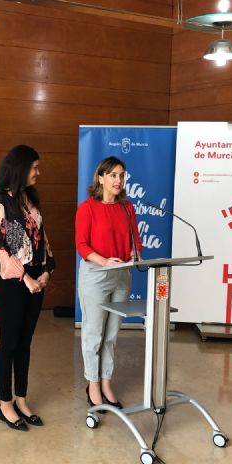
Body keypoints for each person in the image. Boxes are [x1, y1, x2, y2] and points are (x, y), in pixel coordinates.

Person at [0, 144, 56, 431]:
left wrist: (47, 270)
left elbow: (42, 237)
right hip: (12, 282)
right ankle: (5, 405)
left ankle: (21, 400)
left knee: (25, 342)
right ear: (20, 168)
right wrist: (26, 278)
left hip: (36, 279)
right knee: (9, 342)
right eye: (34, 167)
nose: (38, 172)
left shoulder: (29, 198)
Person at [75, 156, 142, 411]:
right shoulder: (87, 208)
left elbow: (136, 239)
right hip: (96, 275)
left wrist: (135, 254)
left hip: (122, 275)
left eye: (121, 175)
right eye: (113, 175)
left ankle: (106, 382)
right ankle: (92, 384)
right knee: (94, 333)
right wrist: (104, 261)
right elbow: (82, 245)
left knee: (112, 334)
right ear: (101, 178)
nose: (118, 180)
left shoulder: (127, 207)